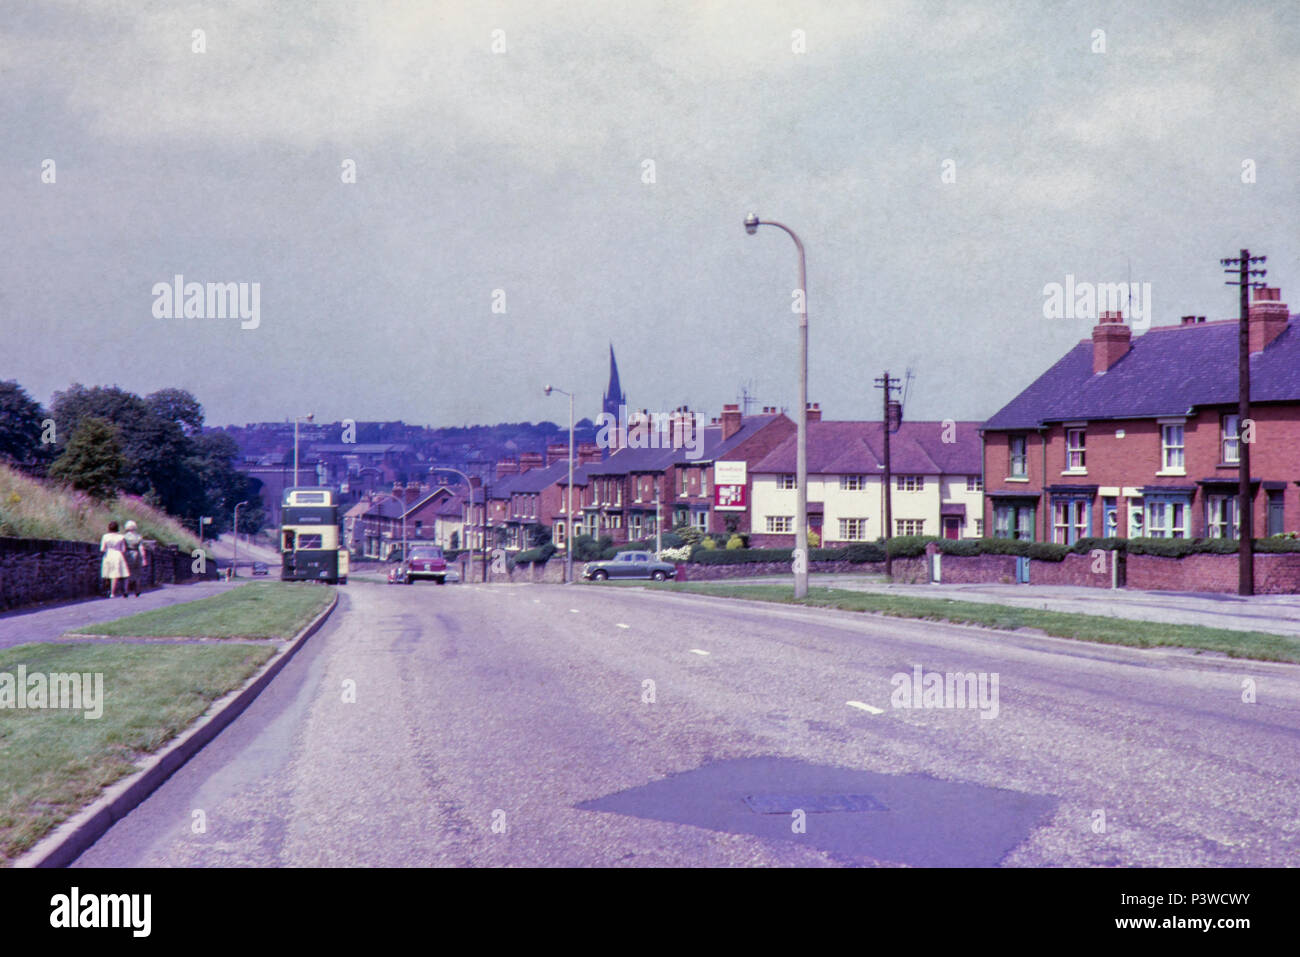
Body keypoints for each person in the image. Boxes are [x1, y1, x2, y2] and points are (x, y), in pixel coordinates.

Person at [100, 520, 130, 598]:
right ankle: (115, 592)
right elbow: (123, 549)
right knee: (117, 574)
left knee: (107, 573)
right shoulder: (121, 537)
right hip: (118, 555)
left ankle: (107, 590)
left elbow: (102, 549)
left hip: (108, 554)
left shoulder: (105, 536)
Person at [123, 519, 149, 597]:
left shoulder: (124, 537)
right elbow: (141, 548)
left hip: (127, 554)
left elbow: (123, 547)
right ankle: (137, 590)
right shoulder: (138, 537)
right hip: (136, 554)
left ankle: (125, 590)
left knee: (127, 573)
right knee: (137, 573)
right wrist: (144, 559)